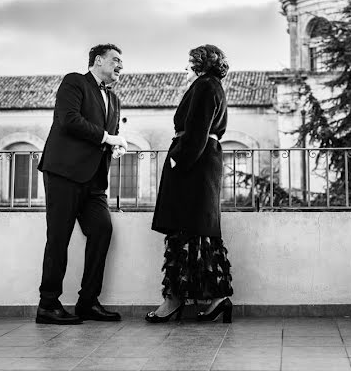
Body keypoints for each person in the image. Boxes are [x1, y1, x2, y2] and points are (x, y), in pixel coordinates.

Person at [36, 44, 128, 324]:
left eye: (121, 62)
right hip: (63, 173)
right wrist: (107, 138)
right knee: (58, 239)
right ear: (98, 60)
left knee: (102, 229)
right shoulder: (73, 82)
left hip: (94, 180)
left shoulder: (115, 99)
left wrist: (114, 145)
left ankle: (87, 302)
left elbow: (108, 135)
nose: (120, 66)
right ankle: (48, 305)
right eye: (115, 60)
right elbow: (69, 121)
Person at [146, 44, 234, 324]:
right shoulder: (212, 85)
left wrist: (177, 160)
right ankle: (216, 299)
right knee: (198, 231)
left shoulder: (205, 86)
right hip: (202, 165)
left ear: (199, 63)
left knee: (185, 229)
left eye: (189, 62)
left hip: (193, 166)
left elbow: (196, 130)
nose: (186, 67)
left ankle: (174, 298)